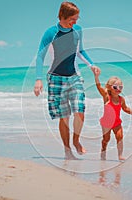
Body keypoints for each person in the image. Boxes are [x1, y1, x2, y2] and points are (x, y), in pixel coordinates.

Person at [33, 2, 100, 160]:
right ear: (62, 16)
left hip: (74, 76)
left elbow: (80, 51)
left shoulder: (77, 30)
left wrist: (91, 65)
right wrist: (38, 79)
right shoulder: (51, 33)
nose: (75, 22)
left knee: (80, 111)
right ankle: (67, 150)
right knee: (64, 117)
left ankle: (76, 141)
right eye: (72, 19)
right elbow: (40, 56)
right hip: (56, 78)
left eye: (77, 18)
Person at [93, 70, 132, 161]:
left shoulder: (121, 99)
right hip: (106, 122)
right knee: (106, 139)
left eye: (120, 87)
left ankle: (120, 155)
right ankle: (103, 150)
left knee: (120, 137)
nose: (118, 89)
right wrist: (96, 77)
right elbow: (98, 87)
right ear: (109, 87)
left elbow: (125, 108)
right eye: (115, 87)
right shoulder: (106, 96)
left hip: (117, 122)